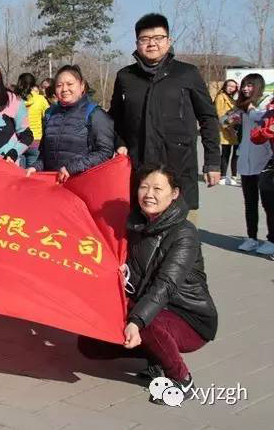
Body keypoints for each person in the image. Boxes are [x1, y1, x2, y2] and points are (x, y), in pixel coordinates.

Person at [78, 165, 217, 405]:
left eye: (157, 189)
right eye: (144, 187)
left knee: (146, 324)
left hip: (188, 316)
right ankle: (156, 358)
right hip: (149, 306)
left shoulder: (185, 233)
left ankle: (182, 379)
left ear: (174, 193)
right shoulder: (134, 225)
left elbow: (166, 284)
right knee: (89, 343)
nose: (149, 194)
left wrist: (136, 321)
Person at [109, 13, 221, 220]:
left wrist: (213, 162)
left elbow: (208, 117)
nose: (152, 43)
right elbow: (114, 120)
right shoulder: (126, 77)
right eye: (145, 39)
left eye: (158, 38)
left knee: (181, 232)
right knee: (139, 230)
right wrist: (120, 143)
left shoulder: (187, 73)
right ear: (137, 43)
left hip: (179, 166)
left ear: (168, 41)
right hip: (140, 168)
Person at [28, 65, 114, 182]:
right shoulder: (49, 114)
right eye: (59, 85)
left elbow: (105, 152)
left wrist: (73, 168)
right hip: (53, 184)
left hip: (82, 182)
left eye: (70, 84)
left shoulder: (95, 114)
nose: (64, 89)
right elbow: (44, 154)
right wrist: (35, 167)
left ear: (82, 86)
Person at [234, 73, 274, 255]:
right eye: (244, 85)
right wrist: (232, 120)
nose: (245, 88)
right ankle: (251, 238)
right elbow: (223, 121)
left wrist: (249, 109)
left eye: (249, 85)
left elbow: (261, 118)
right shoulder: (242, 106)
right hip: (245, 161)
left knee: (269, 204)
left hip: (264, 161)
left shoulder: (267, 103)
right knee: (250, 203)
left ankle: (271, 239)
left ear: (258, 86)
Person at [15, 72, 49, 168]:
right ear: (34, 84)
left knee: (19, 173)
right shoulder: (40, 99)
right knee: (33, 173)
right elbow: (48, 118)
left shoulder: (14, 99)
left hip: (19, 142)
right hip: (36, 142)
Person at [214, 79, 240, 186]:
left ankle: (234, 176)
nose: (231, 88)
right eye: (229, 86)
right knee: (225, 153)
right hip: (226, 130)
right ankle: (223, 176)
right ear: (225, 86)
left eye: (234, 87)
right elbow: (220, 114)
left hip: (235, 130)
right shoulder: (221, 97)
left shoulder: (233, 99)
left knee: (236, 154)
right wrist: (229, 128)